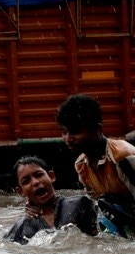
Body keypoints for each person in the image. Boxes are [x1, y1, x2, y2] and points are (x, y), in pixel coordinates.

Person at [56, 93, 135, 237]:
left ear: (97, 129)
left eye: (75, 131)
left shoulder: (122, 156)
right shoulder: (81, 165)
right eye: (64, 132)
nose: (68, 139)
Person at [4, 156, 98, 244]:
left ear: (51, 176)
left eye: (39, 175)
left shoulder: (79, 205)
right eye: (26, 181)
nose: (35, 182)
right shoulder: (21, 228)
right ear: (20, 191)